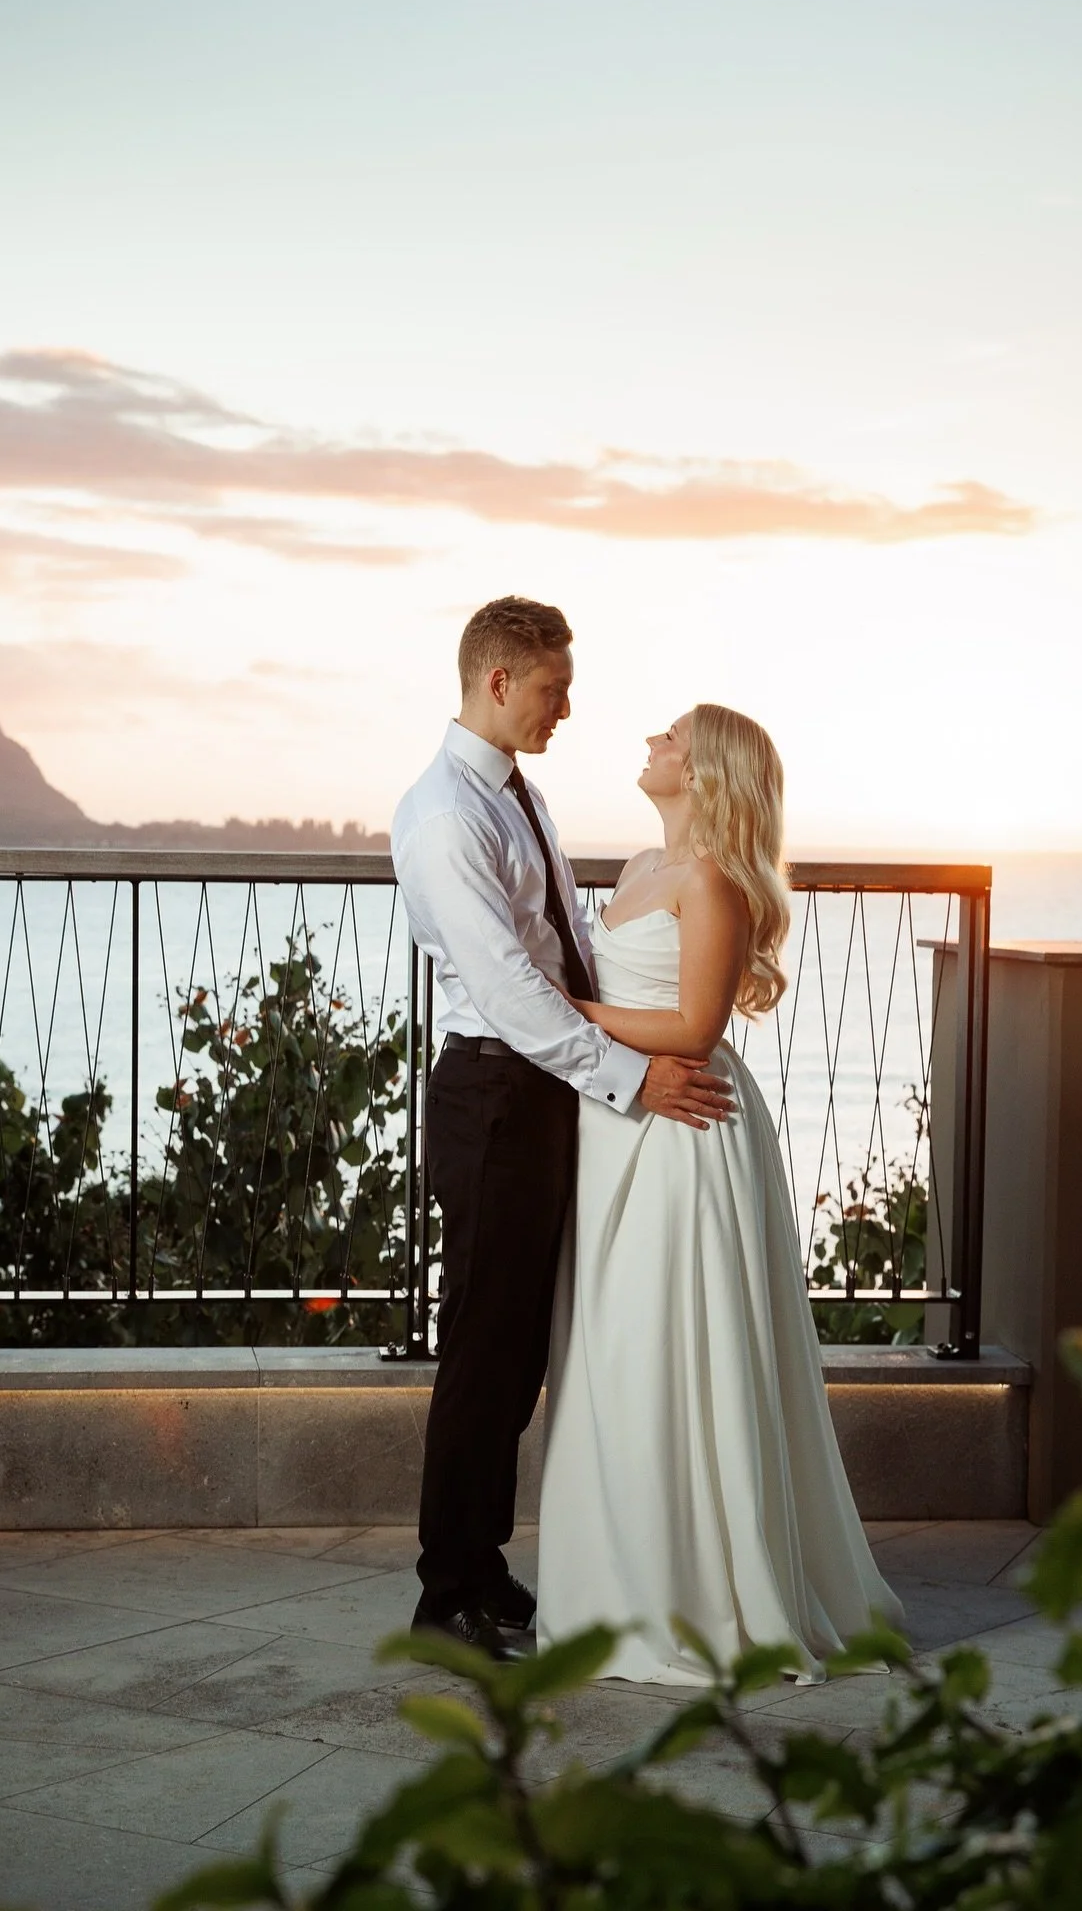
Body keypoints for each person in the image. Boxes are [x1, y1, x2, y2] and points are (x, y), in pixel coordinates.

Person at [391, 598, 735, 1656]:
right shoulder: (448, 813)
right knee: (484, 1351)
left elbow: (560, 949)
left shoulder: (515, 793)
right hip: (494, 1092)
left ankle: (484, 1571)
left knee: (517, 1350)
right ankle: (445, 1592)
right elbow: (506, 991)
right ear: (499, 682)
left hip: (538, 1087)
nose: (567, 708)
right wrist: (634, 1078)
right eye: (553, 689)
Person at [537, 704, 904, 1683]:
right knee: (614, 1353)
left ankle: (696, 1593)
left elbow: (694, 1028)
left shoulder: (711, 879)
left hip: (685, 1129)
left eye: (671, 738)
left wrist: (554, 1011)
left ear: (704, 774)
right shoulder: (637, 869)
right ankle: (620, 1584)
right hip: (621, 1127)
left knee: (670, 1347)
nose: (650, 743)